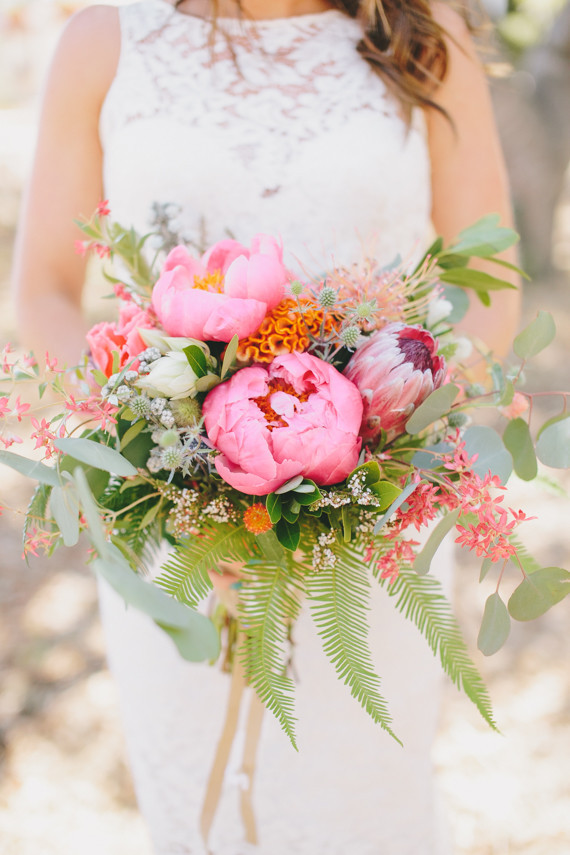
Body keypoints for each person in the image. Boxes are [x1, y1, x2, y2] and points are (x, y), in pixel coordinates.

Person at [12, 0, 520, 853]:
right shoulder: (106, 42)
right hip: (173, 533)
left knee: (363, 804)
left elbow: (494, 286)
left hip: (375, 526)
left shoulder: (426, 35)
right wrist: (166, 477)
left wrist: (388, 461)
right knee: (196, 802)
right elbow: (44, 293)